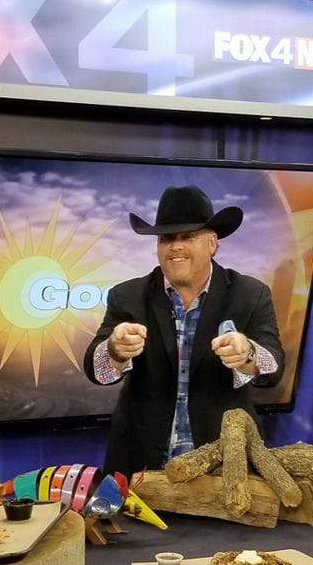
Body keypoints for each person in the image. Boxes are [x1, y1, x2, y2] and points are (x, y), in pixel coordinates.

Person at [83, 184, 284, 477]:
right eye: (167, 238)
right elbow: (96, 370)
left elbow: (274, 369)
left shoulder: (250, 294)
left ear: (212, 243)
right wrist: (114, 350)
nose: (175, 246)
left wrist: (248, 354)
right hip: (139, 466)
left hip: (223, 466)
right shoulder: (127, 296)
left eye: (187, 236)